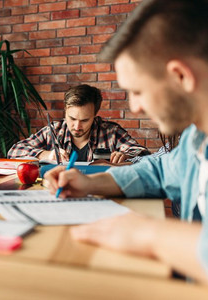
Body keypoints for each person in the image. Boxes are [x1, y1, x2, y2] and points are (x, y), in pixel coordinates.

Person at [44, 0, 208, 284]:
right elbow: (157, 171)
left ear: (180, 76)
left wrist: (146, 233)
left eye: (138, 91)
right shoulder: (196, 138)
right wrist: (90, 182)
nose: (134, 107)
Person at [7, 84, 149, 164]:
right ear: (65, 111)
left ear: (95, 115)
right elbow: (14, 151)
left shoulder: (111, 132)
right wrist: (46, 155)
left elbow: (144, 155)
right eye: (72, 118)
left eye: (85, 120)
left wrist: (125, 156)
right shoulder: (55, 130)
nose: (77, 126)